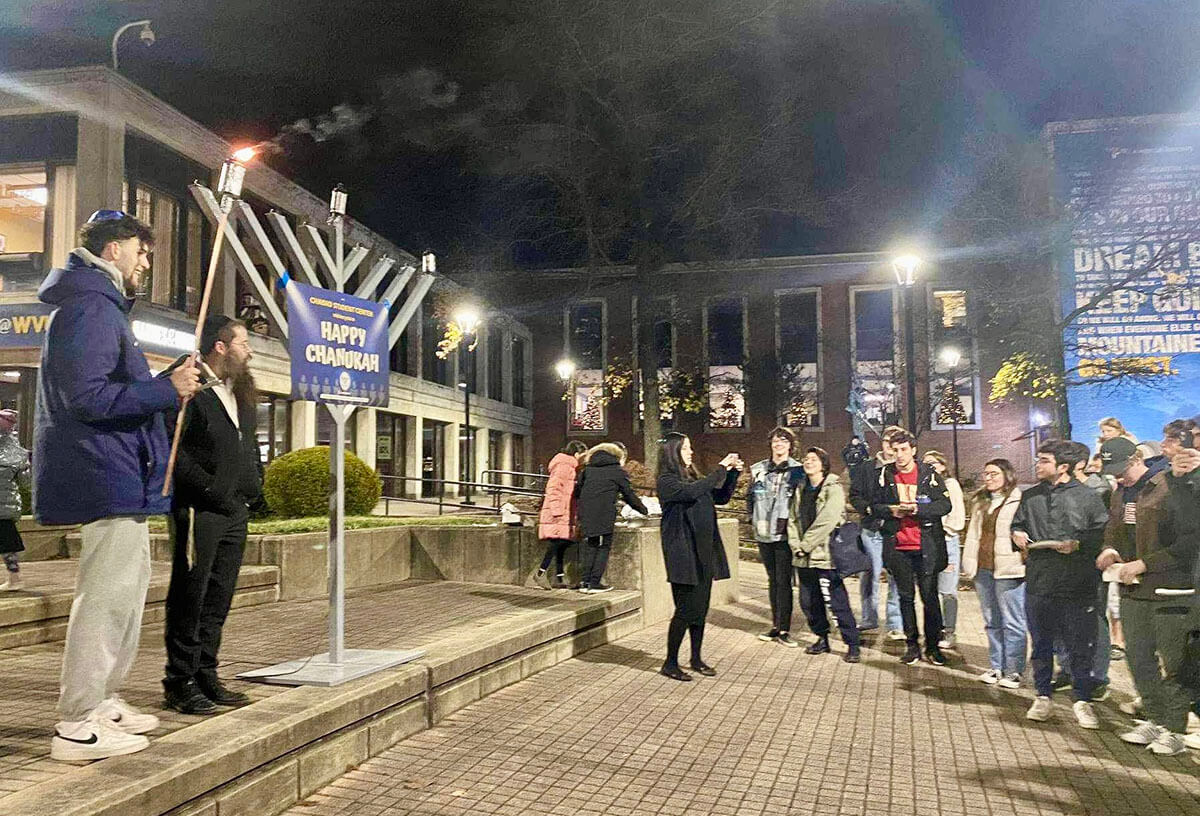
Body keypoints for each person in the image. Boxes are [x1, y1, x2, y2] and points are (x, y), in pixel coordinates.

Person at [34, 210, 200, 761]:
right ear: (113, 251)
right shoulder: (90, 309)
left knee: (124, 600)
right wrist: (164, 389)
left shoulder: (100, 308)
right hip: (103, 472)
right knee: (105, 601)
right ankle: (77, 724)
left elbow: (104, 391)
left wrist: (161, 385)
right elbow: (87, 399)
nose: (146, 262)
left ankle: (102, 701)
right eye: (141, 251)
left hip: (119, 475)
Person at [163, 316, 262, 715]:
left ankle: (206, 673)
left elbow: (246, 445)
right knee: (191, 595)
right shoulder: (188, 382)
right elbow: (173, 449)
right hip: (198, 509)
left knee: (218, 596)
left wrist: (253, 488)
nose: (249, 350)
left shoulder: (236, 390)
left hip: (234, 510)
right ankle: (179, 681)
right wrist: (210, 489)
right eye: (243, 343)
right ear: (220, 347)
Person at [1096, 442, 1199, 756]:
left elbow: (1189, 542)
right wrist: (1109, 550)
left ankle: (1175, 728)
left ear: (1137, 459)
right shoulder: (1119, 490)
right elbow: (1115, 528)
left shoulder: (1170, 485)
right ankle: (1155, 718)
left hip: (1170, 589)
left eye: (1122, 471)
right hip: (1132, 588)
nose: (1119, 478)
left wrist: (1144, 564)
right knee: (1139, 659)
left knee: (1174, 663)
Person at [1010, 440, 1109, 729]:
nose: (1037, 465)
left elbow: (1101, 535)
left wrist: (1079, 545)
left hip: (1077, 583)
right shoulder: (1031, 496)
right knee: (1041, 643)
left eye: (1043, 460)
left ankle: (1082, 699)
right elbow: (1018, 524)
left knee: (1080, 645)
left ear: (1063, 467)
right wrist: (1017, 533)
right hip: (1040, 582)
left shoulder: (1088, 497)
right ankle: (1042, 695)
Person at [656, 433, 740, 681]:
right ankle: (670, 662)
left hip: (703, 551)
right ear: (673, 452)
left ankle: (696, 657)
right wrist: (721, 468)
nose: (690, 453)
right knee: (684, 608)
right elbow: (692, 492)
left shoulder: (693, 477)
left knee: (700, 608)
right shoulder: (667, 480)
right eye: (686, 448)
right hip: (682, 552)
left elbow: (720, 496)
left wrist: (732, 474)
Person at [869, 428, 951, 666]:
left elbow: (945, 505)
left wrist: (919, 510)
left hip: (926, 546)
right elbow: (874, 504)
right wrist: (891, 510)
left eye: (904, 450)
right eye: (895, 450)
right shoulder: (884, 474)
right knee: (905, 597)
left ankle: (933, 646)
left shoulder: (929, 474)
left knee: (929, 597)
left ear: (913, 451)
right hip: (898, 546)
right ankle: (912, 644)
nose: (900, 455)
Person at [791, 446, 861, 662]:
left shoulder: (833, 488)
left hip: (826, 554)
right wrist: (796, 545)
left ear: (823, 464)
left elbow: (827, 520)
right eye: (806, 458)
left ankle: (852, 644)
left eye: (813, 459)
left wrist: (806, 544)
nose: (808, 462)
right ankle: (821, 637)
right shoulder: (801, 488)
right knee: (808, 601)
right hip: (803, 556)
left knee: (836, 600)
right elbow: (793, 519)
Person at [960, 459, 1026, 687]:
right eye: (986, 474)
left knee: (1013, 621)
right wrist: (968, 562)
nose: (988, 478)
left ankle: (1014, 670)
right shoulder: (980, 501)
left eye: (994, 474)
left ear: (1006, 475)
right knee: (991, 620)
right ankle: (996, 666)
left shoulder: (1019, 499)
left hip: (1009, 568)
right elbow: (972, 535)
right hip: (984, 567)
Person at [747, 427, 801, 647]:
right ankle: (775, 625)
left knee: (784, 581)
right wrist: (753, 519)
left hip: (785, 533)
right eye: (775, 441)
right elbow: (750, 497)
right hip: (763, 532)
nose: (778, 444)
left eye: (783, 440)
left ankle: (784, 628)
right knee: (772, 580)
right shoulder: (758, 469)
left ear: (790, 445)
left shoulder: (798, 470)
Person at [848, 426, 904, 636]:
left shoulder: (905, 469)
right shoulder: (866, 468)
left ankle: (895, 623)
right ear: (882, 443)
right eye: (888, 440)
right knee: (869, 574)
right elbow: (854, 495)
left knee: (896, 576)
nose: (891, 445)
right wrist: (867, 508)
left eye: (896, 441)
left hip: (896, 530)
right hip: (871, 528)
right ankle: (869, 618)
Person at [575, 442, 648, 593]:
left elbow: (577, 492)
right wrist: (643, 509)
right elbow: (629, 494)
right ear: (616, 456)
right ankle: (594, 583)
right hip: (604, 513)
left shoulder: (587, 470)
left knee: (591, 544)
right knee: (604, 546)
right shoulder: (616, 471)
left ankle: (584, 582)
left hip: (586, 512)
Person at [923, 450, 964, 650]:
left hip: (946, 541)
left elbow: (957, 517)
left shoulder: (951, 485)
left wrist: (942, 531)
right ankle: (935, 629)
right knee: (930, 590)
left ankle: (949, 631)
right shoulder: (925, 487)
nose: (930, 467)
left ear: (943, 465)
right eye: (926, 464)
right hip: (929, 543)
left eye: (933, 463)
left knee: (947, 590)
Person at [533, 440, 588, 589]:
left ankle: (559, 577)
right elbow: (553, 489)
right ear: (576, 453)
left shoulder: (568, 467)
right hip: (559, 512)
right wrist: (557, 510)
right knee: (557, 543)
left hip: (564, 511)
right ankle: (540, 573)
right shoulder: (564, 467)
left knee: (562, 544)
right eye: (582, 456)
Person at [0, 410, 29, 591]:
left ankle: (14, 578)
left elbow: (26, 481)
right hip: (6, 505)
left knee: (7, 543)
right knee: (7, 543)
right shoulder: (16, 453)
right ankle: (14, 577)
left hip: (4, 506)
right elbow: (26, 481)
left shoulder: (14, 453)